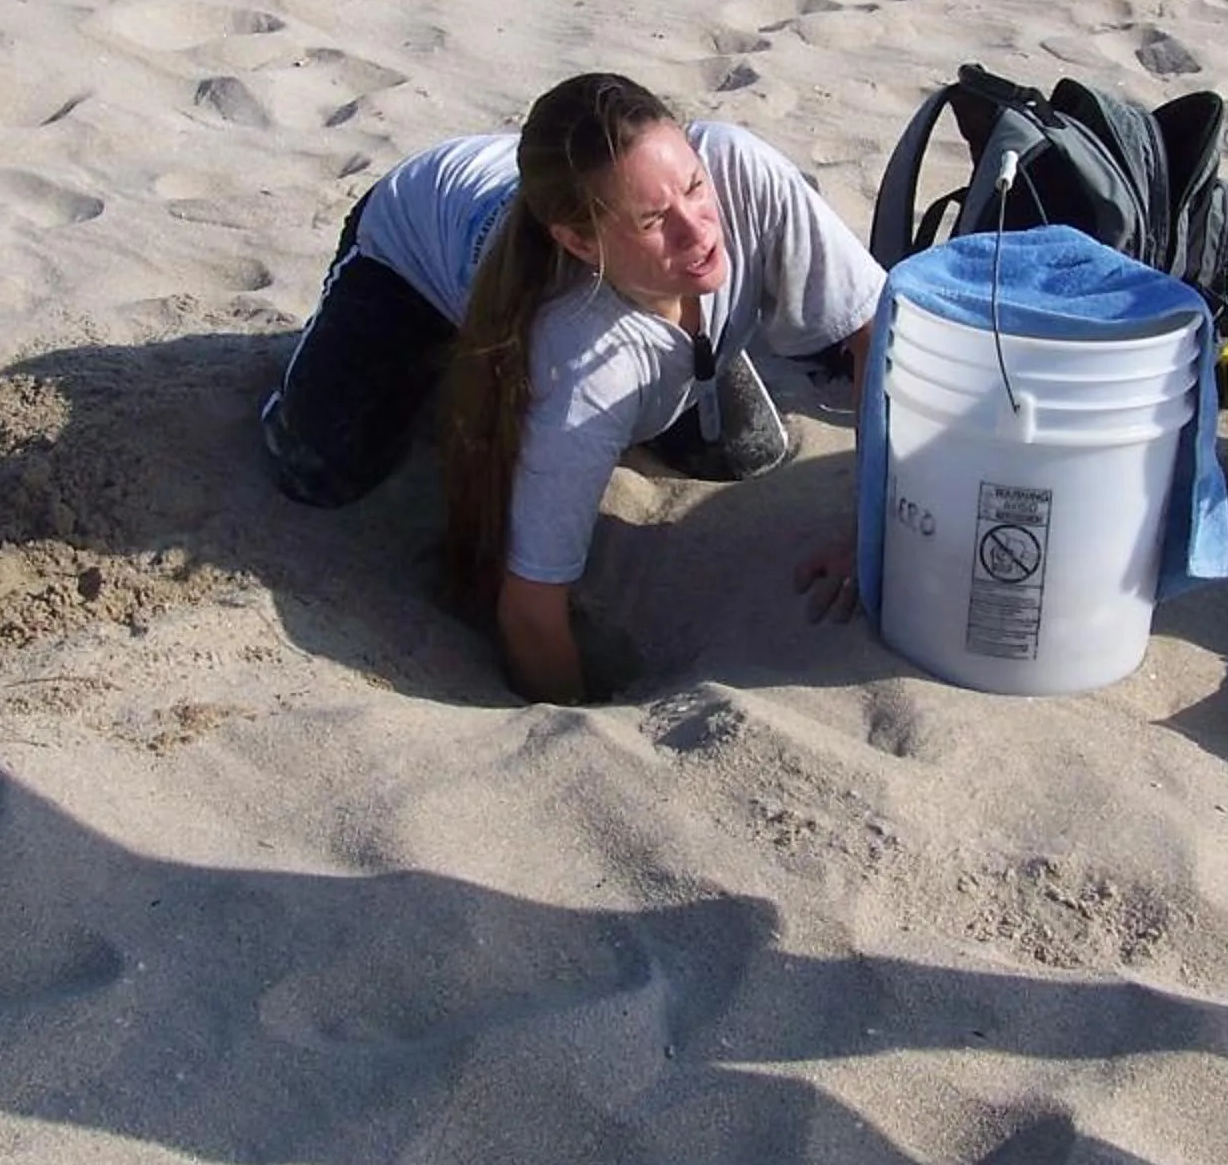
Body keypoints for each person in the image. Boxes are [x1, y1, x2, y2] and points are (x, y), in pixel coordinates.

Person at [261, 72, 883, 704]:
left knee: (749, 452)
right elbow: (530, 611)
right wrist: (568, 722)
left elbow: (880, 340)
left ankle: (683, 348)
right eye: (653, 221)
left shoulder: (741, 171)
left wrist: (871, 536)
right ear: (580, 242)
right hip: (408, 249)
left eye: (695, 187)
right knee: (318, 470)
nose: (698, 230)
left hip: (598, 245)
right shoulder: (582, 356)